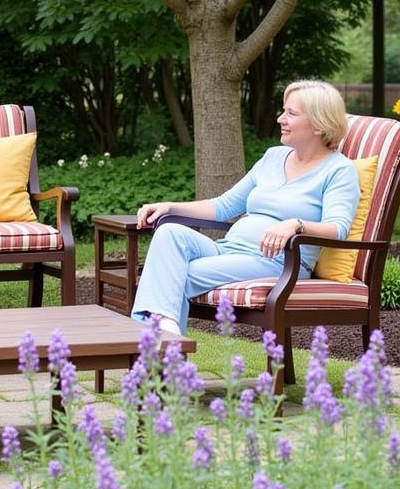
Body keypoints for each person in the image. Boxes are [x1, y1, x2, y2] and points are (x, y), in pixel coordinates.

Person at [132, 80, 360, 335]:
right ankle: (168, 337)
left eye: (291, 114)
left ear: (319, 124)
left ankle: (159, 348)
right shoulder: (273, 157)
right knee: (169, 232)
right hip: (227, 250)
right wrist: (170, 207)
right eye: (283, 111)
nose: (280, 119)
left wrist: (296, 224)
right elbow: (224, 206)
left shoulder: (339, 170)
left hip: (277, 261)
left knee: (174, 275)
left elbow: (338, 229)